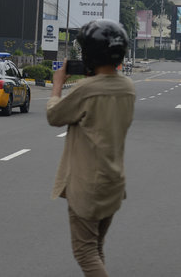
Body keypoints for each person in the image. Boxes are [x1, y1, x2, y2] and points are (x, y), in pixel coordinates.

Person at [46, 19, 135, 277]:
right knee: (96, 248)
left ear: (90, 53)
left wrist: (57, 85)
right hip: (113, 182)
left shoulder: (86, 89)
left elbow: (54, 116)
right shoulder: (128, 88)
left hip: (87, 186)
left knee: (85, 253)